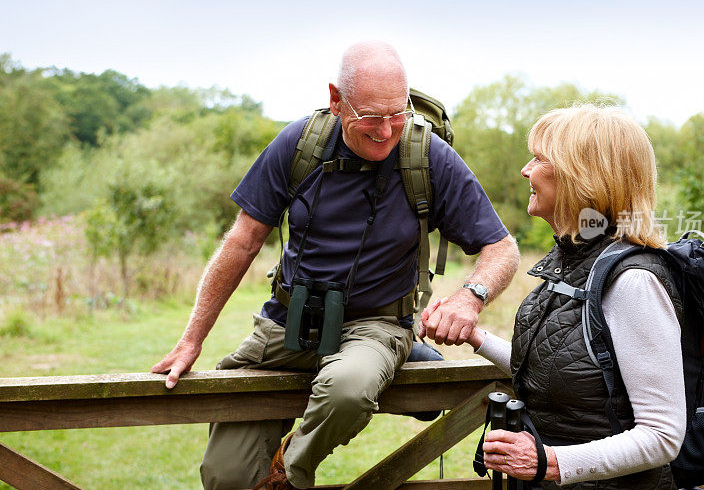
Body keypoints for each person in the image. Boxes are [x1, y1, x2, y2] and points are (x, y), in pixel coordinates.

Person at [151, 41, 520, 490]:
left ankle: (288, 474)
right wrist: (192, 339)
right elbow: (243, 242)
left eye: (397, 114)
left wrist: (470, 297)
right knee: (226, 474)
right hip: (289, 322)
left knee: (347, 386)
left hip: (377, 324)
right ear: (336, 99)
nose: (386, 131)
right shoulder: (299, 144)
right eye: (370, 117)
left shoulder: (427, 156)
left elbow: (502, 248)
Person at [421, 105, 686, 489]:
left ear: (583, 176)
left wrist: (548, 462)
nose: (526, 170)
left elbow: (663, 436)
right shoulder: (572, 262)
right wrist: (476, 338)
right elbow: (557, 367)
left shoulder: (633, 282)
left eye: (539, 159)